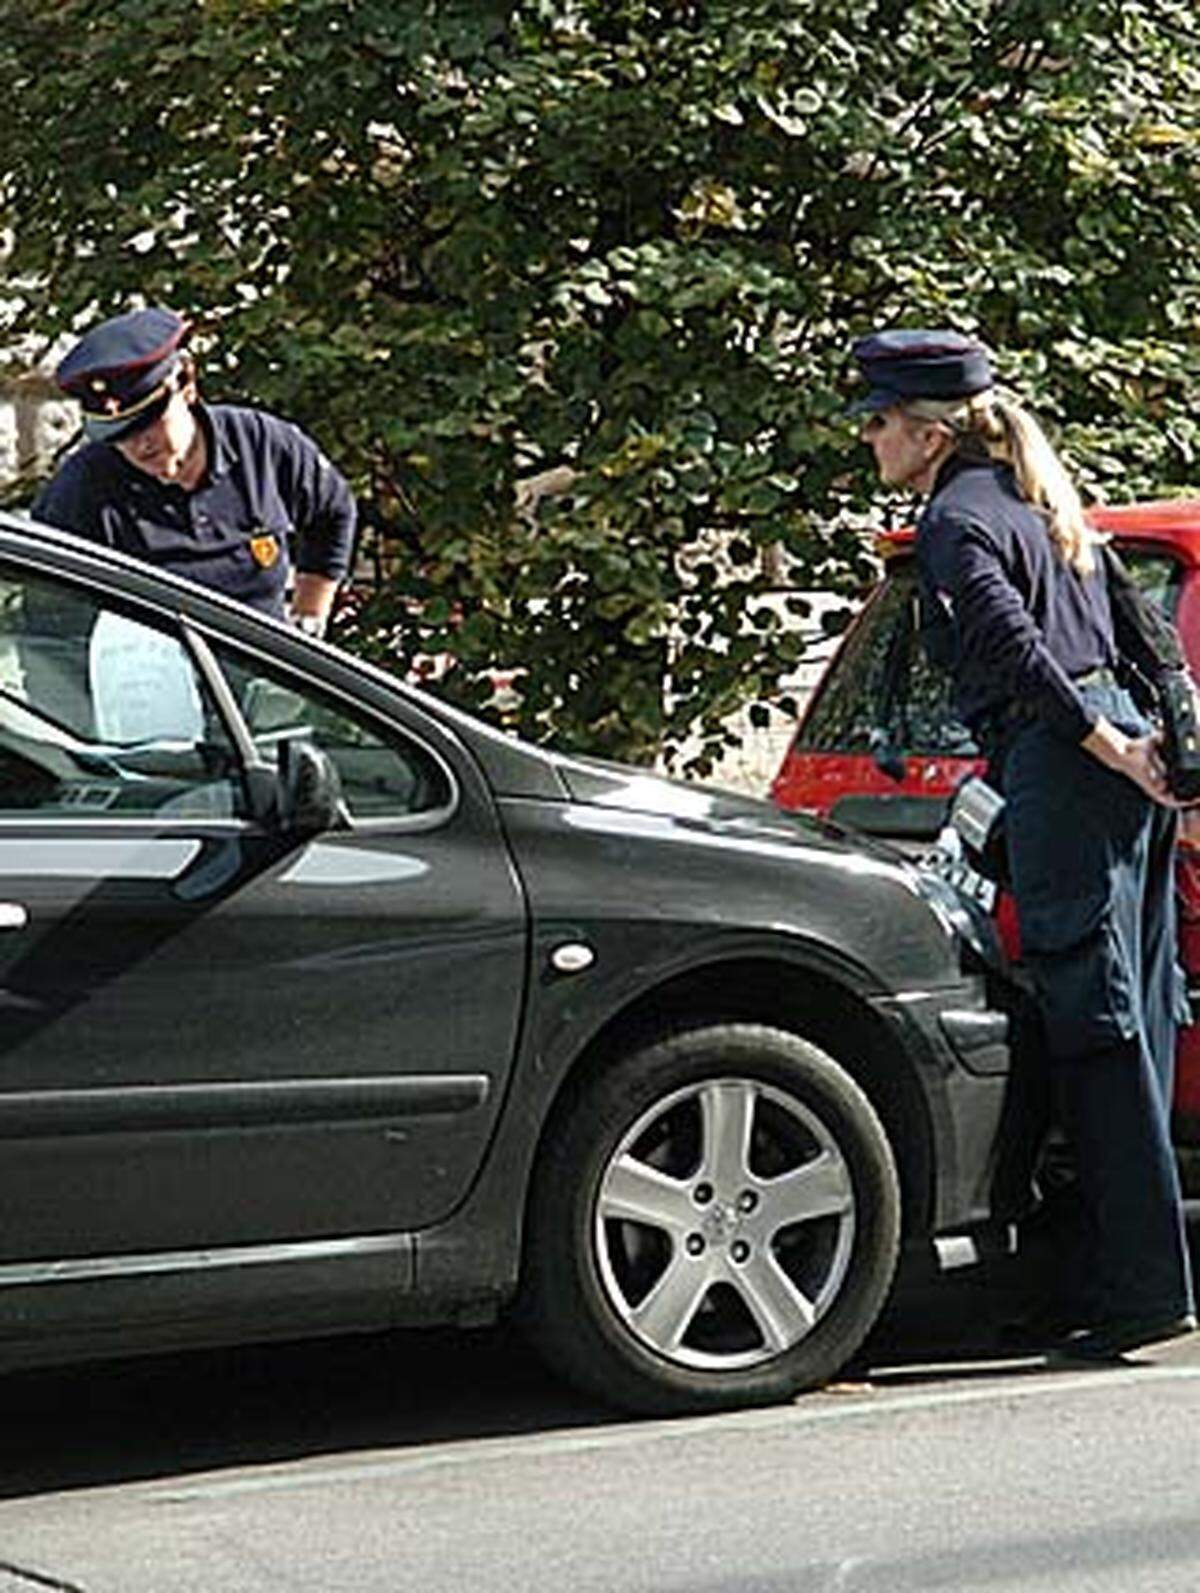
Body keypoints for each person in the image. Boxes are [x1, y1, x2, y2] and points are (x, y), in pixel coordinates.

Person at [849, 327, 1196, 1360]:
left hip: (1067, 767)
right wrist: (1159, 740)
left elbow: (1011, 647)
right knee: (1131, 1015)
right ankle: (1110, 1274)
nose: (867, 443)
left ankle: (1140, 1288)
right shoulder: (1038, 500)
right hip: (1113, 776)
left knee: (1095, 1025)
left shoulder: (958, 518)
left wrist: (1109, 746)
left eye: (874, 423)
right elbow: (1145, 631)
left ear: (925, 429)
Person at [33, 306, 356, 634]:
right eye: (120, 436)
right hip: (142, 677)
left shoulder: (260, 443)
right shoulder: (83, 488)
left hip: (261, 669)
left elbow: (334, 510)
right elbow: (47, 621)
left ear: (186, 383)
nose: (141, 446)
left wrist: (310, 618)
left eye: (149, 424)